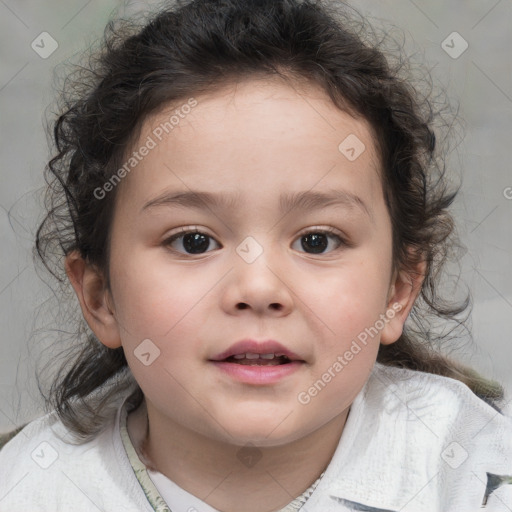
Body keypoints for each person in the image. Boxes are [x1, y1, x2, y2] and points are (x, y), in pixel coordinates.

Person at [0, 0, 511, 510]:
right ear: (100, 297)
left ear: (397, 292)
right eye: (193, 241)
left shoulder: (474, 476)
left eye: (317, 240)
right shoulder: (28, 487)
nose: (259, 289)